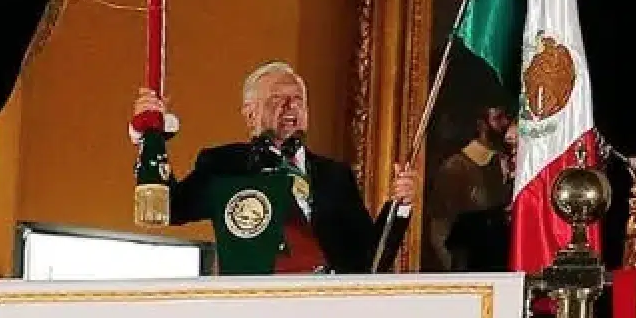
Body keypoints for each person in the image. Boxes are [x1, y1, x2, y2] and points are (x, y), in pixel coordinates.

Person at [131, 62, 416, 274]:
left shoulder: (335, 175)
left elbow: (371, 259)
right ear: (250, 113)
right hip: (257, 312)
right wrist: (150, 138)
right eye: (278, 100)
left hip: (328, 315)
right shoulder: (225, 164)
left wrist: (399, 206)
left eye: (299, 100)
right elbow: (168, 207)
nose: (291, 108)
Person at [429, 107, 516, 271]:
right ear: (481, 125)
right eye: (498, 118)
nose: (505, 123)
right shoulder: (457, 167)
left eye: (507, 117)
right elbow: (440, 228)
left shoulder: (510, 160)